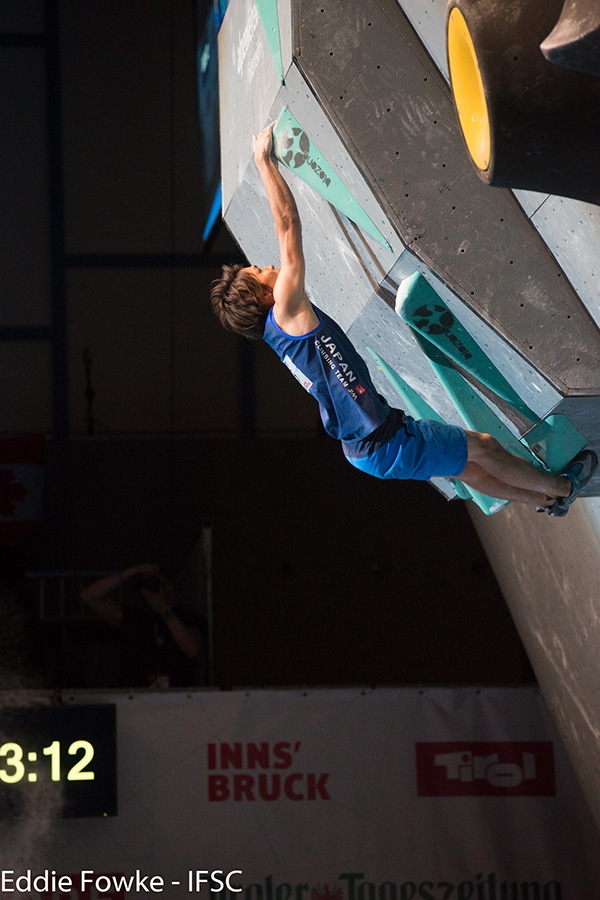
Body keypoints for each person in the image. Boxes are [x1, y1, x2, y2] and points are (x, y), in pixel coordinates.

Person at [211, 122, 597, 516]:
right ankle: (561, 485)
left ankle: (544, 501)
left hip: (366, 449)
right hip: (383, 442)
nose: (271, 265)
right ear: (262, 296)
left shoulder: (279, 336)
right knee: (484, 446)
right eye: (261, 270)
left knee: (466, 466)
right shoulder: (286, 310)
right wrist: (264, 161)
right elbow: (288, 225)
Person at [80, 564, 205, 687]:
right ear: (143, 592)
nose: (162, 590)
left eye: (166, 585)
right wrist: (132, 571)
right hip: (135, 695)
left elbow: (192, 649)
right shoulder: (134, 617)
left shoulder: (189, 618)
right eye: (156, 586)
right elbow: (88, 596)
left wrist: (163, 609)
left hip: (180, 697)